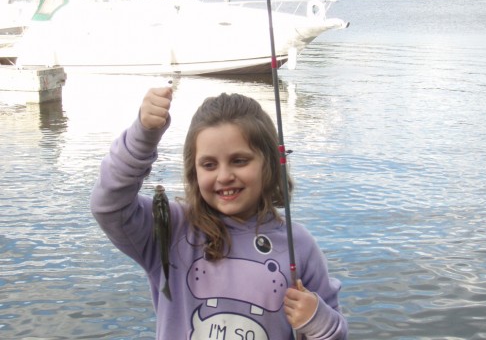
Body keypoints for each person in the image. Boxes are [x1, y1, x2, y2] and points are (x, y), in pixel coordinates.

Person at [90, 86, 348, 339]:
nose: (224, 176)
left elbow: (332, 331)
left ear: (268, 163)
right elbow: (109, 205)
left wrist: (318, 321)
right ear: (195, 172)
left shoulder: (299, 245)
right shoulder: (172, 229)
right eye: (209, 164)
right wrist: (142, 138)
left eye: (239, 160)